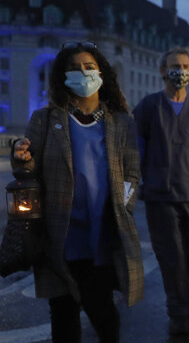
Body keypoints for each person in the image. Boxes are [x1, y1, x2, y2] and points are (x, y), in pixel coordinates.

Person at [11, 41, 143, 342]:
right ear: (62, 77)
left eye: (88, 66)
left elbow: (132, 171)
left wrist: (122, 205)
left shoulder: (121, 123)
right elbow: (27, 172)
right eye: (73, 68)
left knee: (104, 314)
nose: (82, 73)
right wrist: (22, 160)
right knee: (63, 316)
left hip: (101, 237)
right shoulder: (44, 120)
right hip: (58, 236)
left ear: (101, 73)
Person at [133, 46, 189, 335]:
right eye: (175, 66)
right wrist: (130, 186)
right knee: (171, 256)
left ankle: (186, 294)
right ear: (163, 71)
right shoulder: (148, 107)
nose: (181, 71)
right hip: (161, 196)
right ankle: (178, 312)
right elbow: (138, 151)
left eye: (185, 66)